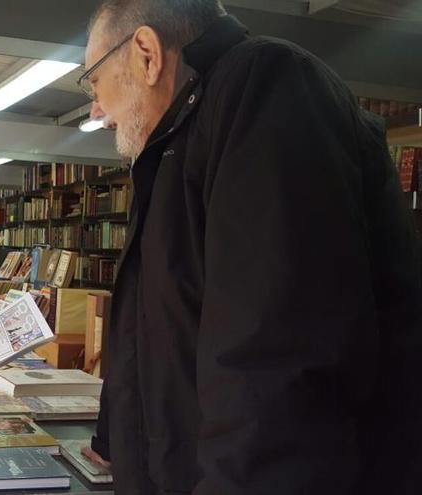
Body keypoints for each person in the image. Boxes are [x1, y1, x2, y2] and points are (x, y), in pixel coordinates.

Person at [81, 1, 422, 494]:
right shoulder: (171, 146)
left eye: (93, 81)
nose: (96, 112)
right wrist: (116, 440)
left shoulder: (268, 88)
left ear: (146, 54)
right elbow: (153, 325)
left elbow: (275, 367)